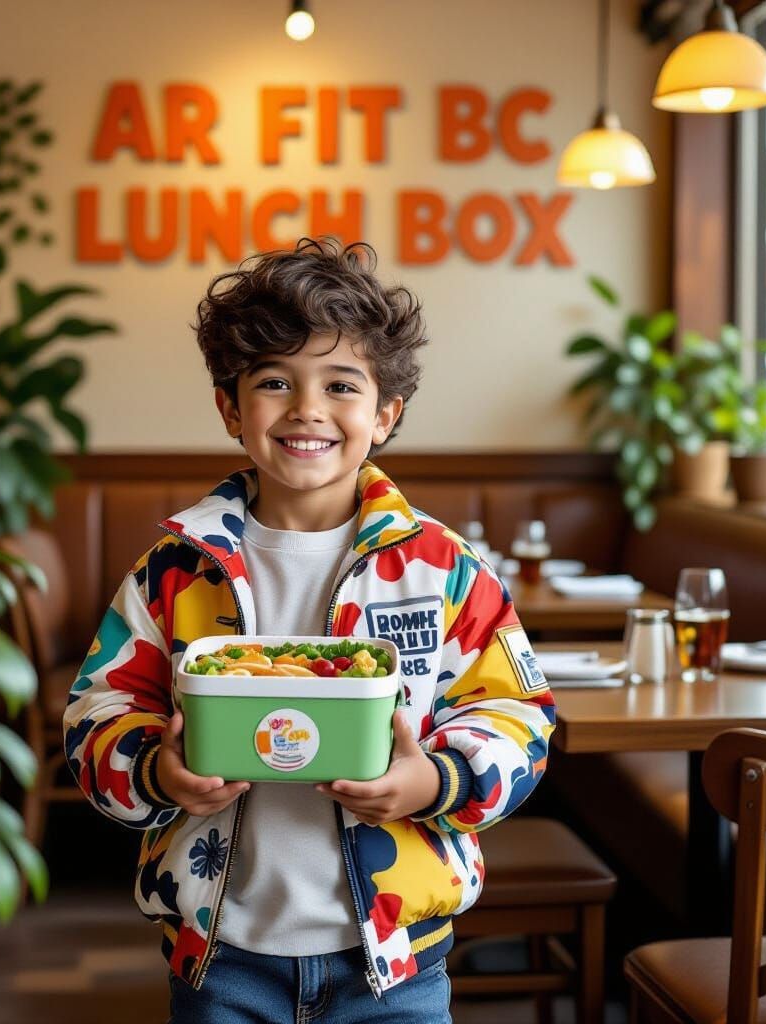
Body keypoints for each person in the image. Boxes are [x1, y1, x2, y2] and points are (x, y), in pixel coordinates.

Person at [63, 237, 556, 1023]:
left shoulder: (446, 569)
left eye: (341, 383)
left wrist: (434, 781)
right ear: (231, 407)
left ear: (385, 413)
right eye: (273, 381)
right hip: (220, 959)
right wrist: (157, 769)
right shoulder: (173, 570)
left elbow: (522, 719)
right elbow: (94, 715)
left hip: (397, 963)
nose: (306, 409)